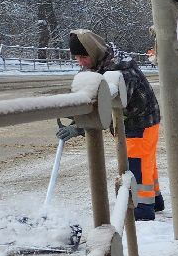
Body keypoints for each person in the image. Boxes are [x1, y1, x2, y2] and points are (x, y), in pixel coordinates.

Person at [69, 29, 162, 222]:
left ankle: (142, 209)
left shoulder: (120, 71)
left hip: (140, 122)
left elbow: (109, 106)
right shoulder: (98, 64)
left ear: (93, 52)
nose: (80, 62)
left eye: (83, 57)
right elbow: (90, 96)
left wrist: (80, 127)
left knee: (137, 166)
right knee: (146, 164)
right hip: (133, 123)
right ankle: (155, 201)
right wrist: (75, 118)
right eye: (77, 58)